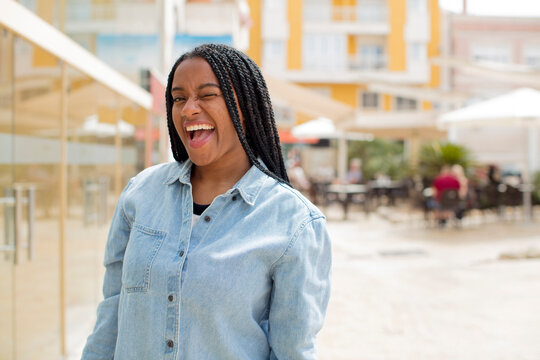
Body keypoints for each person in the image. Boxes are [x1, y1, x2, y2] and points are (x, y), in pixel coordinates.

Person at [81, 44, 332, 360]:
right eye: (179, 98)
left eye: (207, 94)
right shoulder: (140, 194)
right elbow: (110, 318)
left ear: (246, 106)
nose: (188, 110)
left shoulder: (294, 223)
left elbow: (292, 352)